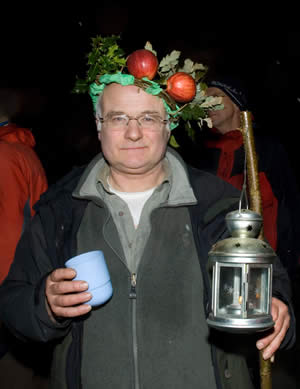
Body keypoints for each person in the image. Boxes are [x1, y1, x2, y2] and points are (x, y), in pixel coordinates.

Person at [0, 66, 295, 388]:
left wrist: (276, 306)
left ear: (169, 126)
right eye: (118, 118)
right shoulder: (61, 209)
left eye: (148, 118)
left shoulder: (218, 204)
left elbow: (273, 287)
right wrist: (45, 306)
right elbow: (13, 302)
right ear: (99, 127)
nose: (134, 133)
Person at [195, 75, 300, 280]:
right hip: (216, 264)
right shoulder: (201, 153)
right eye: (204, 99)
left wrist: (290, 260)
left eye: (216, 96)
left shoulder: (266, 149)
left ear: (236, 103)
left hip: (266, 265)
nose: (208, 104)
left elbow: (290, 204)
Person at [0, 88, 49, 387]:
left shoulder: (5, 155)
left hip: (9, 282)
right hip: (25, 277)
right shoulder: (20, 150)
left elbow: (8, 226)